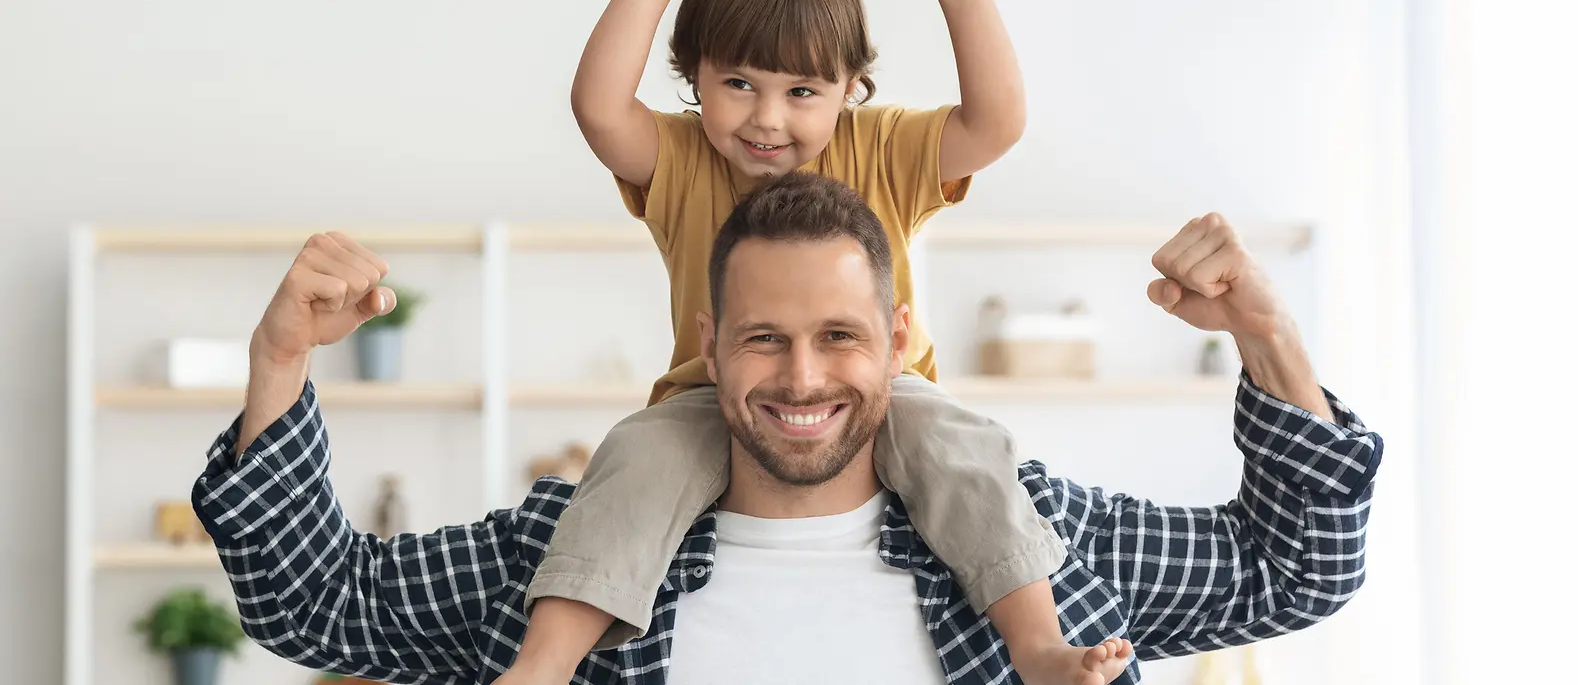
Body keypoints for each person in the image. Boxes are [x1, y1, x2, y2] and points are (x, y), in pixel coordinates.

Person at [191, 173, 1382, 685]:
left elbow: (1298, 570)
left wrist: (1270, 340)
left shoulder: (1043, 541)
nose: (802, 376)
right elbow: (315, 604)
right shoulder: (565, 557)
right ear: (710, 345)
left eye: (838, 337)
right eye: (764, 339)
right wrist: (279, 364)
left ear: (896, 336)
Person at [531, 0, 1080, 678]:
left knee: (965, 450)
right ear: (693, 74)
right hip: (713, 393)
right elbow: (599, 108)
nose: (766, 119)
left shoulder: (881, 145)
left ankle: (1038, 645)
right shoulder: (680, 156)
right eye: (737, 83)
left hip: (888, 390)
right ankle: (543, 665)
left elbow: (996, 121)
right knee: (635, 460)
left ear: (851, 88)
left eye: (802, 92)